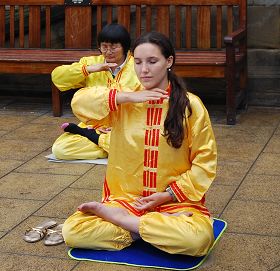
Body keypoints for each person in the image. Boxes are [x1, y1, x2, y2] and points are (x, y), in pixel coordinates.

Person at [62, 31, 217, 256]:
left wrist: (168, 195)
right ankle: (150, 226)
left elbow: (205, 162)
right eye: (138, 62)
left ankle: (129, 224)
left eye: (152, 62)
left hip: (175, 202)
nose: (144, 70)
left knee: (198, 240)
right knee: (73, 231)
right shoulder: (124, 101)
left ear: (169, 61)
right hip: (126, 200)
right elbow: (79, 103)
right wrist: (125, 97)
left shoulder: (191, 106)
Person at [51, 23, 141, 160]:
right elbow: (57, 78)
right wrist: (89, 69)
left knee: (143, 144)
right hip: (96, 127)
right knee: (61, 149)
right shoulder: (91, 62)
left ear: (125, 47)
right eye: (104, 47)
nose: (108, 51)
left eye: (114, 47)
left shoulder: (138, 66)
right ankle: (113, 147)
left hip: (128, 126)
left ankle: (106, 143)